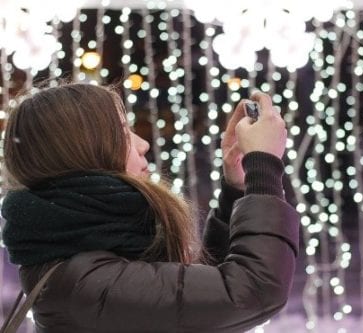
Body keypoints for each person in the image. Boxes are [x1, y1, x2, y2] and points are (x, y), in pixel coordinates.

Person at [0, 83, 299, 332]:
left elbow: (191, 301)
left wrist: (238, 185)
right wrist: (263, 164)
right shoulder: (84, 283)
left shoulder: (87, 252)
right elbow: (252, 290)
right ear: (87, 150)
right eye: (122, 131)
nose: (142, 143)